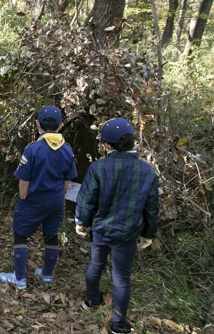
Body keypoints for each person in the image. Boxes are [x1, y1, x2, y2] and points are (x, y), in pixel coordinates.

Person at [75, 117, 159, 334]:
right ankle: (118, 325)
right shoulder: (147, 171)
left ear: (106, 145)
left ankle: (91, 300)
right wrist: (148, 234)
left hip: (102, 230)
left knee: (96, 265)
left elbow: (87, 199)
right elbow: (151, 207)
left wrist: (81, 222)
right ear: (132, 141)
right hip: (128, 233)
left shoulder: (99, 167)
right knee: (121, 278)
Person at [0, 105, 77, 290]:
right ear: (61, 126)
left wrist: (23, 197)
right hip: (56, 199)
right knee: (51, 235)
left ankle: (19, 279)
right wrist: (60, 194)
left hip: (34, 199)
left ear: (37, 124)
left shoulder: (32, 149)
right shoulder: (67, 149)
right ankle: (47, 274)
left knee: (20, 235)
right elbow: (68, 178)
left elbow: (24, 179)